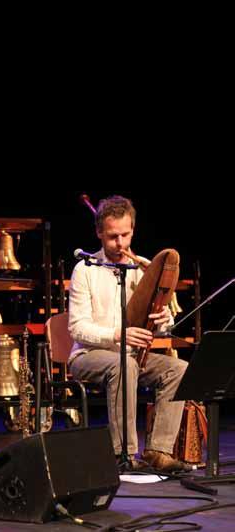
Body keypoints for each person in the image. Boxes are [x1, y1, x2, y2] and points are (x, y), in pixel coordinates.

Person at [68, 195, 189, 473]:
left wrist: (162, 319)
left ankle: (159, 450)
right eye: (112, 237)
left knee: (178, 369)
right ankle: (124, 454)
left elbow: (163, 322)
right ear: (99, 232)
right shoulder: (85, 270)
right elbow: (77, 328)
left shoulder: (144, 268)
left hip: (131, 359)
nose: (120, 243)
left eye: (125, 234)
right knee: (123, 364)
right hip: (89, 356)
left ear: (133, 228)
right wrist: (118, 335)